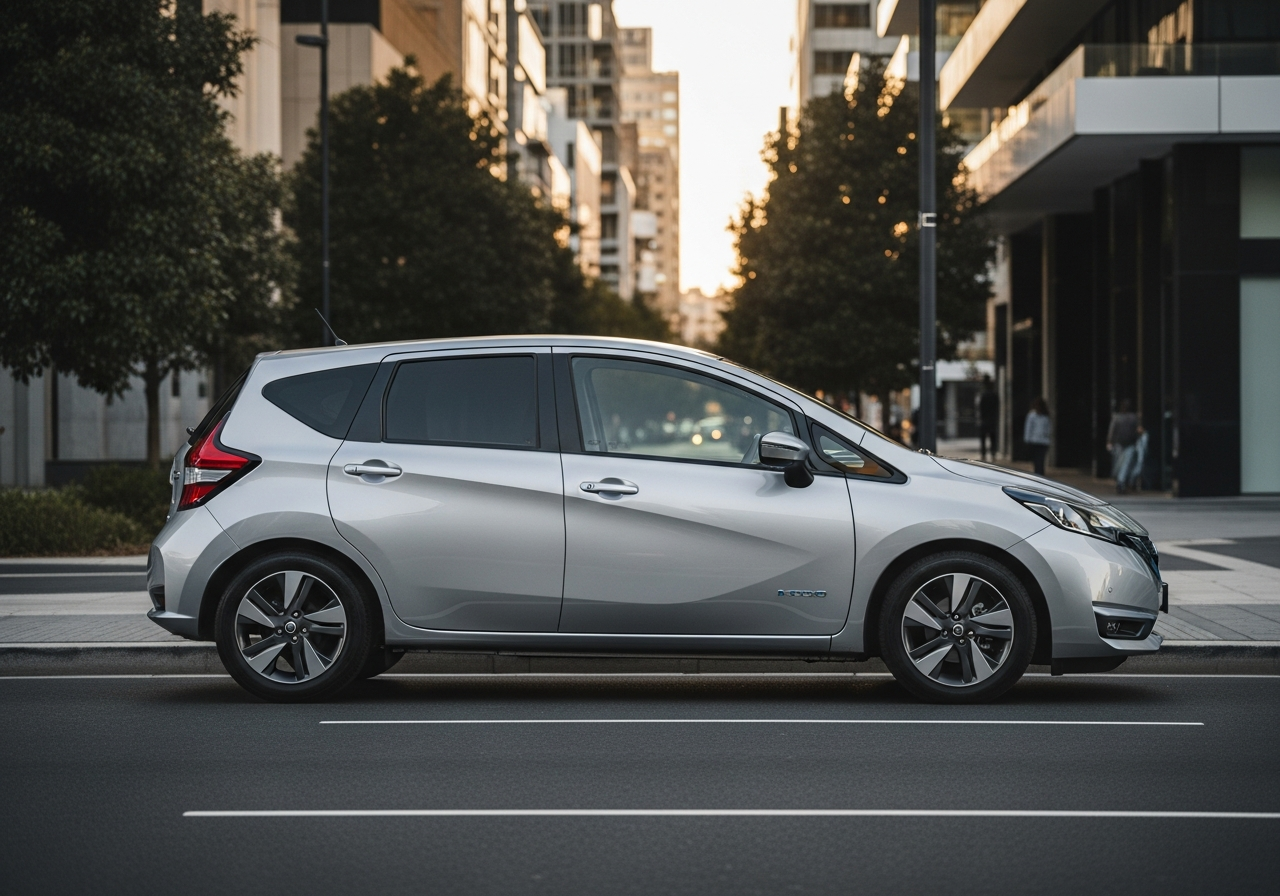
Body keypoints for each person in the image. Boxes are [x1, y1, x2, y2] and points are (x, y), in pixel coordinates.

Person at [1107, 400, 1143, 494]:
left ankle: (1120, 481)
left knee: (1120, 464)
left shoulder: (1118, 417)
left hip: (1120, 444)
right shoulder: (1133, 418)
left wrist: (1110, 442)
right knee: (1124, 465)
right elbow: (1137, 431)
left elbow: (1112, 430)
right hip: (1127, 444)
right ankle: (1121, 481)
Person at [1023, 397, 1051, 476]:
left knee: (1041, 459)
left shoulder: (1045, 417)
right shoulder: (1032, 416)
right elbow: (1028, 428)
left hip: (1043, 441)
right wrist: (1027, 439)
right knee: (1036, 460)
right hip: (1034, 441)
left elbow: (1048, 429)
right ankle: (1038, 473)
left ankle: (1040, 473)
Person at [977, 375, 999, 462]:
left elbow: (981, 408)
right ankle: (993, 454)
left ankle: (984, 455)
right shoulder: (993, 395)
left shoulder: (984, 395)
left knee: (983, 438)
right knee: (992, 438)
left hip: (985, 420)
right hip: (992, 420)